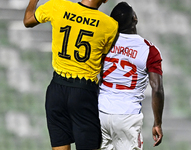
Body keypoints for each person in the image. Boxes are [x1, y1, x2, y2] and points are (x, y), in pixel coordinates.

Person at [23, 0, 118, 150]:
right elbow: (103, 62)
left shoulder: (58, 6)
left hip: (56, 89)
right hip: (84, 91)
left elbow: (28, 21)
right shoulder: (110, 25)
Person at [98, 2, 164, 150]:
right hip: (127, 115)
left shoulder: (104, 42)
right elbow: (157, 88)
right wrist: (157, 122)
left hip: (100, 111)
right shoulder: (149, 50)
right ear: (135, 18)